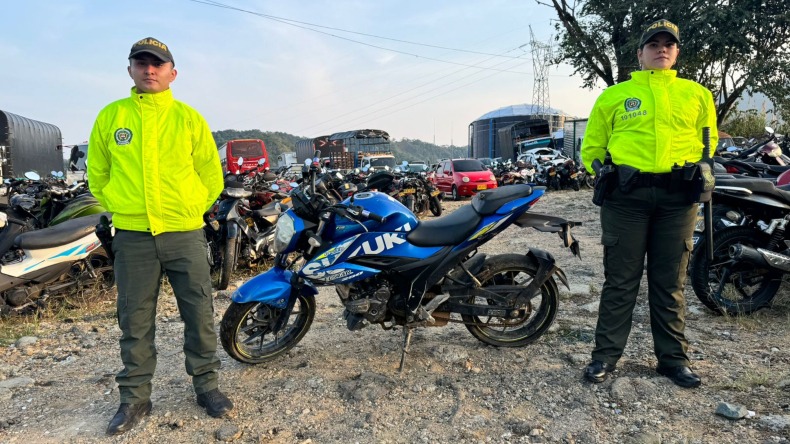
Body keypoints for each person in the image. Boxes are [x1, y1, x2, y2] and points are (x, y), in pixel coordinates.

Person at [87, 37, 232, 436]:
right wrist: (121, 203)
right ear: (130, 69)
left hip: (184, 233)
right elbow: (96, 174)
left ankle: (207, 386)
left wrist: (190, 209)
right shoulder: (111, 117)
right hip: (133, 237)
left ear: (173, 72)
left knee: (199, 314)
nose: (150, 70)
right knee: (134, 320)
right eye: (142, 63)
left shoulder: (188, 118)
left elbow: (210, 174)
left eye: (158, 64)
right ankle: (135, 398)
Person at [580, 19, 718, 388]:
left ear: (676, 52)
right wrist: (603, 172)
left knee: (670, 281)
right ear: (639, 53)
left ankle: (673, 360)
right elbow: (592, 147)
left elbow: (709, 142)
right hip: (626, 199)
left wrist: (702, 168)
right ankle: (605, 357)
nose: (661, 49)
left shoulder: (697, 94)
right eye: (653, 44)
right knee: (620, 281)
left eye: (668, 44)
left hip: (678, 200)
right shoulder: (613, 96)